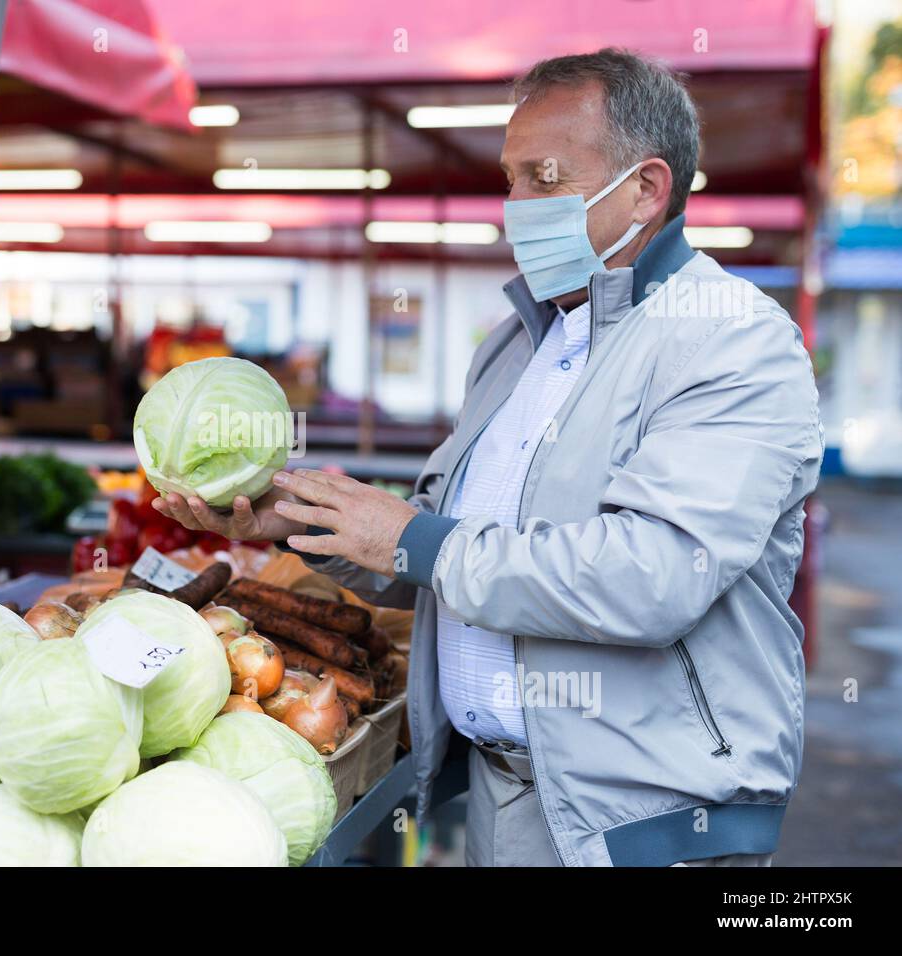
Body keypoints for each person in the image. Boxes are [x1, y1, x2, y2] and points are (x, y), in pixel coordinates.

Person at [155, 48, 823, 867]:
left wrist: (414, 539)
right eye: (510, 179)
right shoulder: (519, 344)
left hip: (650, 824)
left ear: (647, 190)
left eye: (544, 177)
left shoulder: (731, 340)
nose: (515, 206)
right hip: (502, 804)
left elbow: (654, 575)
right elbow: (448, 562)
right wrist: (299, 524)